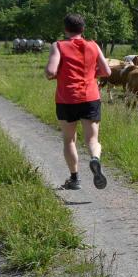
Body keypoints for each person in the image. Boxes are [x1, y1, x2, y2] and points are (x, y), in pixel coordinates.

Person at [45, 13, 112, 190]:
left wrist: (55, 74)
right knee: (92, 140)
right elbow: (107, 72)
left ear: (65, 29)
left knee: (69, 140)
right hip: (90, 97)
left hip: (67, 98)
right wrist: (92, 74)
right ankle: (95, 158)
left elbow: (51, 71)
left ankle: (74, 179)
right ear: (83, 29)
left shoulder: (58, 46)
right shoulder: (93, 45)